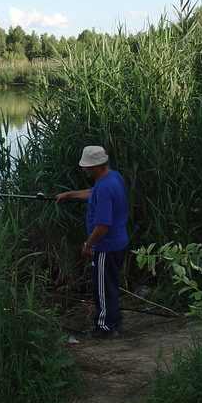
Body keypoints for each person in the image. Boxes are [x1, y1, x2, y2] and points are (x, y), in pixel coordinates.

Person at [56, 145, 128, 339]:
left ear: (95, 167)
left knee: (103, 287)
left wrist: (89, 245)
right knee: (110, 284)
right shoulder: (113, 177)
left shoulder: (104, 187)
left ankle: (105, 328)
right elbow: (93, 193)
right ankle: (115, 319)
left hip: (105, 245)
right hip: (119, 241)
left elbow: (103, 225)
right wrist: (69, 195)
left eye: (86, 166)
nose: (83, 169)